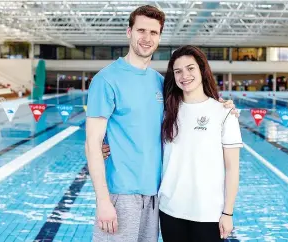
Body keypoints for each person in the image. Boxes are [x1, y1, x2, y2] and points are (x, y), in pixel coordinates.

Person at [86, 5, 238, 242]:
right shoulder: (106, 79)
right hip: (121, 194)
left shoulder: (160, 83)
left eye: (153, 33)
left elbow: (192, 105)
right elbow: (92, 142)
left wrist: (221, 106)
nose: (147, 38)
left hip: (157, 197)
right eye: (141, 31)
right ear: (129, 32)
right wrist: (103, 200)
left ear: (159, 37)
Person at [158, 45, 243, 242]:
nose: (184, 75)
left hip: (208, 213)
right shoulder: (166, 111)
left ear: (202, 71)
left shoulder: (224, 113)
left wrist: (228, 213)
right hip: (170, 209)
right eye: (178, 71)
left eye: (190, 68)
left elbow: (232, 169)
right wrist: (105, 146)